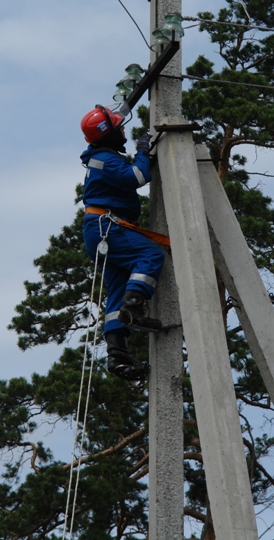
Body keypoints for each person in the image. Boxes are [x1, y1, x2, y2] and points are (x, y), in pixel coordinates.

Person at [80, 104, 165, 381]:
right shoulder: (107, 159)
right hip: (107, 228)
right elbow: (137, 177)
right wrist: (143, 151)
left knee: (117, 287)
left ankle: (117, 354)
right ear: (108, 134)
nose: (123, 130)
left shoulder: (101, 158)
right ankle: (135, 305)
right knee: (151, 256)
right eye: (119, 127)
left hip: (100, 230)